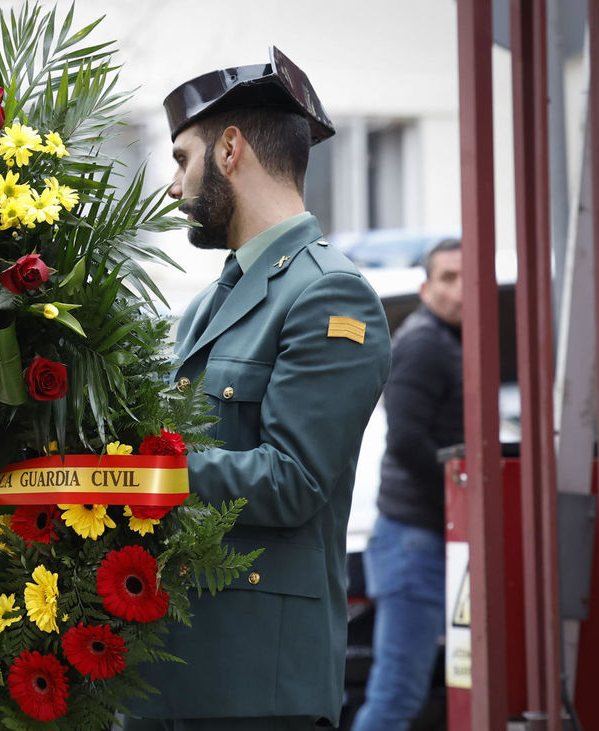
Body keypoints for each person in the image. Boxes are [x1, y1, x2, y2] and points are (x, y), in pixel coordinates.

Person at [124, 48, 391, 730]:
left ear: (230, 149)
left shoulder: (329, 293)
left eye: (182, 159)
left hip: (256, 684)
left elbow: (294, 478)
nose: (173, 186)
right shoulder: (209, 304)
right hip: (174, 672)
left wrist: (142, 469)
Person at [353, 239, 463, 729]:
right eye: (448, 277)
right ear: (425, 288)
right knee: (397, 694)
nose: (460, 290)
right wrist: (463, 496)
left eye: (469, 276)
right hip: (413, 540)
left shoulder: (450, 340)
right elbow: (406, 441)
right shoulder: (424, 342)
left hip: (424, 538)